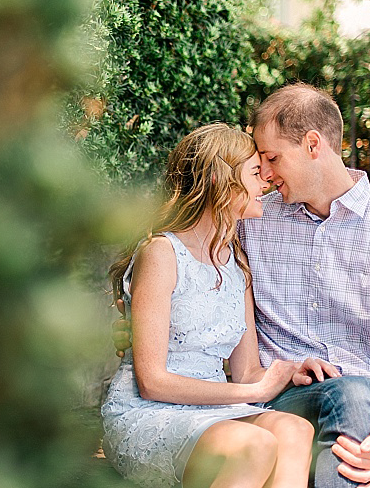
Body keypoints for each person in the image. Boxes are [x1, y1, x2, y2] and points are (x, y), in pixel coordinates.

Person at [115, 83, 370, 488]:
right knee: (352, 393)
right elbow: (193, 258)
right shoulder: (252, 220)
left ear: (313, 144)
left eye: (272, 158)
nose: (266, 174)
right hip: (296, 404)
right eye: (258, 166)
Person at [101, 122, 337, 488]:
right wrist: (255, 393)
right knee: (253, 444)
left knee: (294, 430)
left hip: (213, 411)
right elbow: (151, 382)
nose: (266, 182)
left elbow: (246, 372)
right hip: (149, 412)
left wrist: (287, 370)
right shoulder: (161, 254)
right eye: (256, 173)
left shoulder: (236, 264)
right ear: (218, 182)